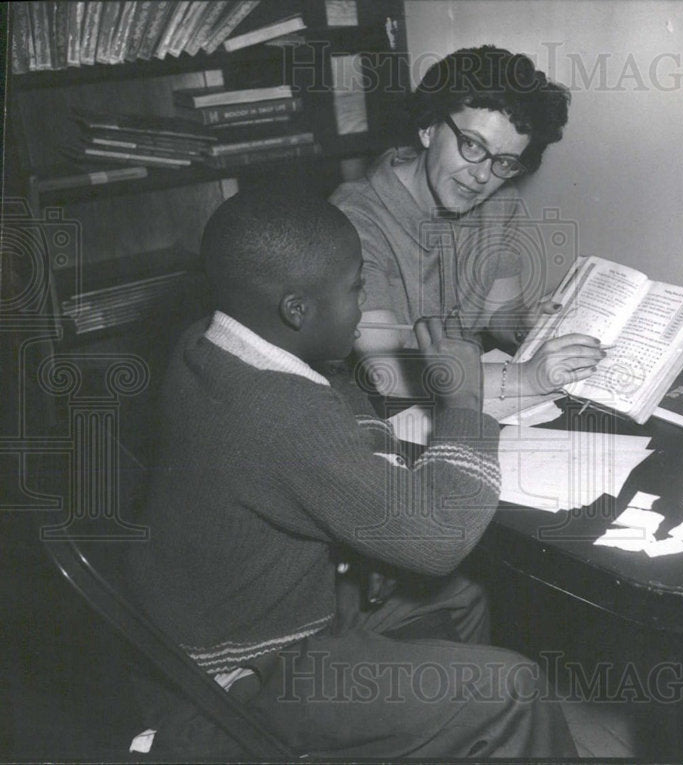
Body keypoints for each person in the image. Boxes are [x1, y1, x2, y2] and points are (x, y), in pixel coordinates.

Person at [126, 189, 577, 759]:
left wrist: (370, 532)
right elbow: (438, 538)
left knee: (461, 597)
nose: (363, 305)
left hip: (218, 624)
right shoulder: (276, 412)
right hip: (240, 676)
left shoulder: (208, 345)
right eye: (356, 287)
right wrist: (466, 403)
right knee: (513, 686)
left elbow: (335, 388)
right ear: (297, 310)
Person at [331, 45, 605, 400]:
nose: (482, 176)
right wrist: (524, 378)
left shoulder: (499, 202)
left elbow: (498, 312)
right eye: (472, 145)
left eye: (504, 162)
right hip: (381, 413)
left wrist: (524, 325)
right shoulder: (353, 217)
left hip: (469, 396)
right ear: (428, 128)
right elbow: (386, 371)